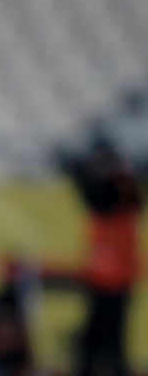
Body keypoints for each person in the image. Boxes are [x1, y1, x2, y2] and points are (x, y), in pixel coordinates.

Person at [69, 139, 142, 376]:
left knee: (110, 341)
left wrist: (82, 173)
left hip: (116, 278)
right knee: (96, 340)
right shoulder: (118, 188)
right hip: (102, 276)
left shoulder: (121, 188)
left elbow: (100, 198)